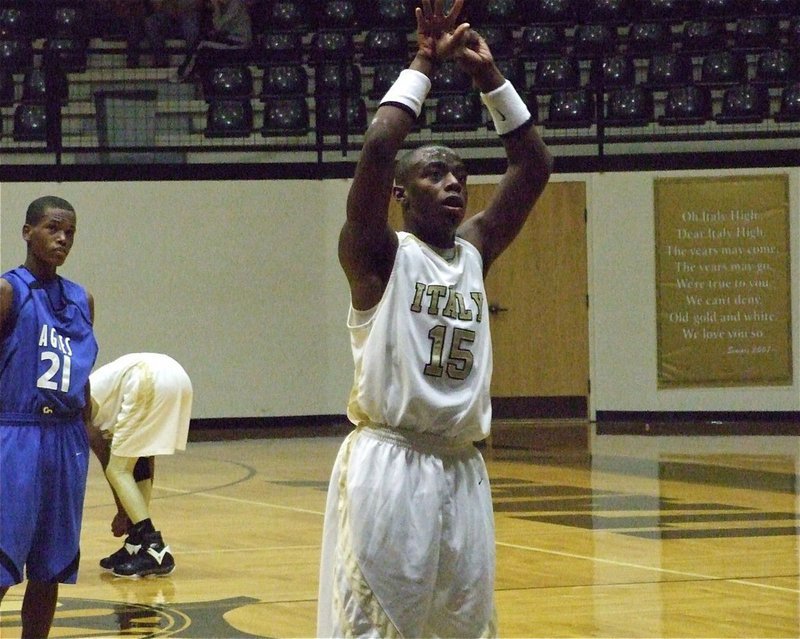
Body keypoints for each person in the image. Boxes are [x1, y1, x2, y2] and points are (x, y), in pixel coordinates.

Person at [316, 0, 553, 636]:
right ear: (400, 192)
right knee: (376, 627)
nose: (451, 181)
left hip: (462, 466)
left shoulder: (473, 251)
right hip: (390, 464)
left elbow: (533, 168)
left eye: (458, 173)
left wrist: (491, 81)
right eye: (433, 172)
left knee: (465, 629)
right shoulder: (378, 255)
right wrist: (424, 60)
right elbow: (378, 145)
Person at [0, 196, 98, 639]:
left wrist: (113, 479)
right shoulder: (8, 292)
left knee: (50, 568)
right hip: (14, 436)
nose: (62, 239)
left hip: (66, 440)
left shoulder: (81, 299)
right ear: (27, 232)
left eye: (70, 233)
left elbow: (84, 388)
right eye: (53, 228)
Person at [86, 352, 193, 578]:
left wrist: (122, 512)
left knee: (117, 469)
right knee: (138, 461)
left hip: (147, 378)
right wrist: (130, 518)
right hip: (177, 375)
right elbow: (146, 460)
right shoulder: (102, 392)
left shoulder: (81, 404)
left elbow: (106, 459)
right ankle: (136, 542)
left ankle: (154, 547)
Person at [172, 0, 252, 82]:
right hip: (231, 38)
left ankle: (183, 73)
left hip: (240, 42)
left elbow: (218, 25)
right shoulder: (225, 6)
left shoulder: (235, 4)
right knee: (203, 40)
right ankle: (191, 72)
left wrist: (216, 7)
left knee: (202, 44)